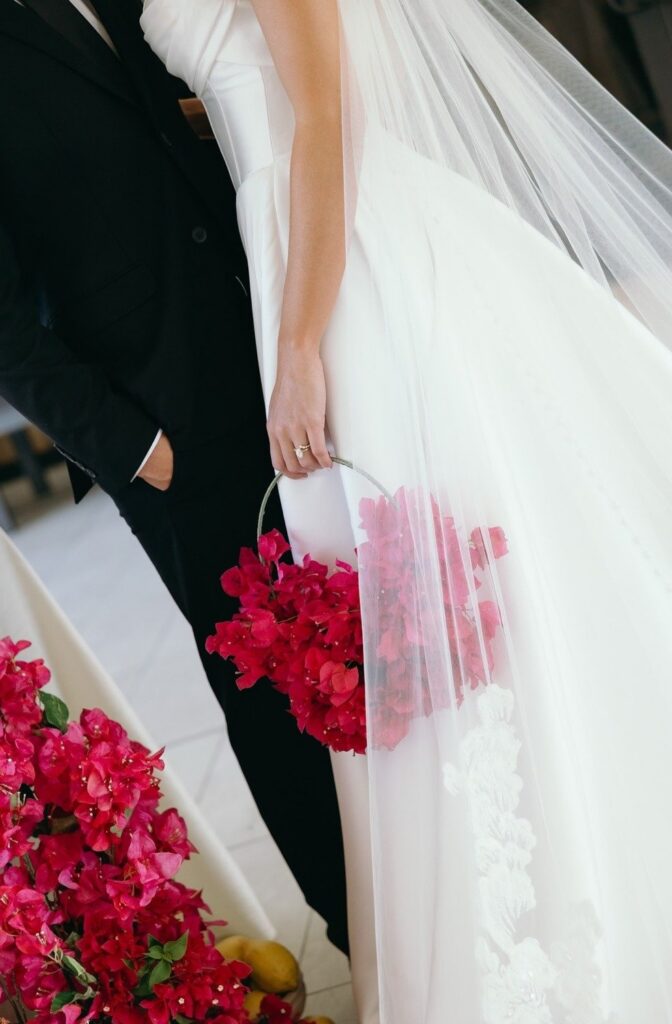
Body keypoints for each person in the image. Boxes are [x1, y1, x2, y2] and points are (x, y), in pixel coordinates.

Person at [142, 0, 672, 1021]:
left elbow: (329, 115)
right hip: (292, 242)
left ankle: (541, 906)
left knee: (433, 582)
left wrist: (301, 346)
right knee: (383, 600)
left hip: (341, 264)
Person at [0, 0, 349, 956]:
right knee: (267, 692)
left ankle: (410, 865)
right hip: (167, 429)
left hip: (268, 340)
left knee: (343, 634)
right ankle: (352, 918)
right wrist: (130, 445)